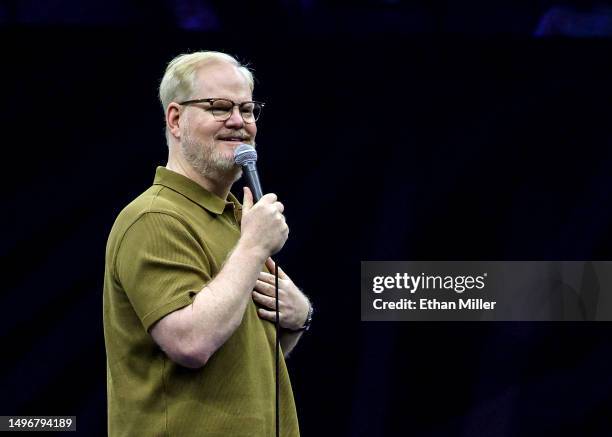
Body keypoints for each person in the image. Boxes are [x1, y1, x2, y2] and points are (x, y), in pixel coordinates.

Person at [103, 51, 312, 436]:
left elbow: (236, 360)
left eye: (247, 109)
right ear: (176, 119)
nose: (238, 122)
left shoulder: (235, 220)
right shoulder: (154, 217)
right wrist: (253, 247)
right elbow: (191, 342)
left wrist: (297, 320)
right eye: (218, 107)